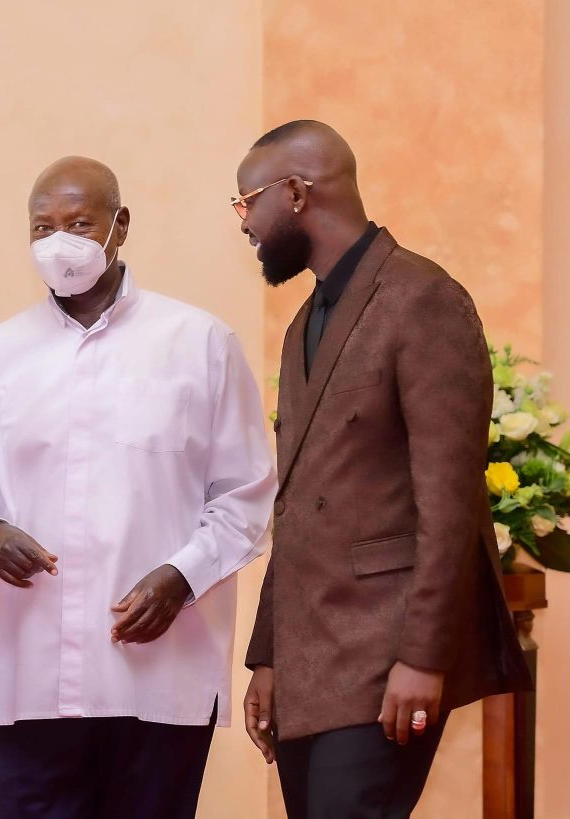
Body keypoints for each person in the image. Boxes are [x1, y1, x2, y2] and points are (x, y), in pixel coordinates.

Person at [0, 155, 276, 819]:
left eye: (79, 223)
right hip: (26, 682)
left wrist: (182, 577)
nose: (58, 240)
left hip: (159, 676)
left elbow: (246, 494)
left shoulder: (200, 343)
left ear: (121, 225)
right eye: (42, 227)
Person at [234, 121, 532, 818]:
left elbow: (451, 504)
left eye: (248, 201)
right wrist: (269, 656)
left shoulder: (423, 298)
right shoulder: (302, 324)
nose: (243, 222)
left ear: (297, 192)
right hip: (312, 662)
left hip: (389, 653)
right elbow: (297, 499)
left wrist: (424, 657)